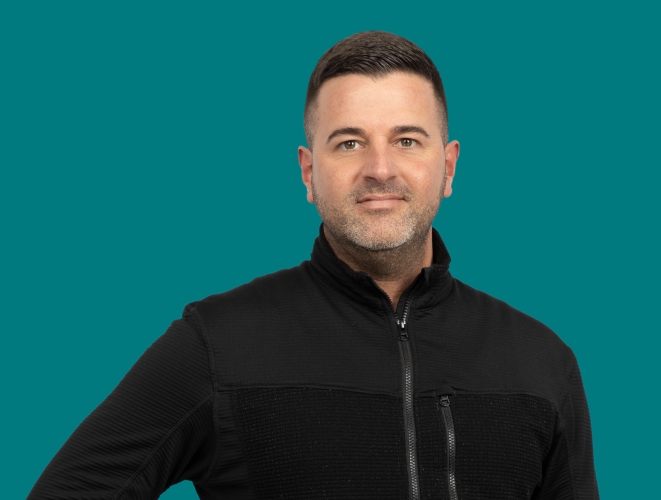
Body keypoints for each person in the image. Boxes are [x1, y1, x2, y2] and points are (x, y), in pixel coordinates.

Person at [29, 31, 598, 499]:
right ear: (308, 172)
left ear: (448, 167)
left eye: (407, 140)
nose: (380, 168)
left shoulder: (542, 364)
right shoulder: (218, 345)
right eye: (349, 143)